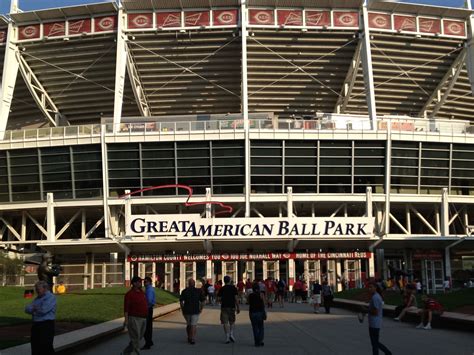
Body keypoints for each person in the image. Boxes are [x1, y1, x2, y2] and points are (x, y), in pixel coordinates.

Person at [25, 280, 57, 355]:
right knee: (35, 347)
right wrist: (34, 309)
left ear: (45, 288)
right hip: (36, 325)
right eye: (36, 289)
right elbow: (27, 309)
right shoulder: (37, 299)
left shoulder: (51, 297)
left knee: (46, 347)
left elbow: (43, 310)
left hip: (46, 325)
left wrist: (33, 309)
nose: (36, 291)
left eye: (38, 289)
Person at [123, 276, 148, 355]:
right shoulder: (129, 294)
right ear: (134, 283)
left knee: (138, 337)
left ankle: (126, 352)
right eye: (139, 282)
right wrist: (126, 320)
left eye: (141, 282)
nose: (140, 283)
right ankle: (136, 353)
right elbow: (126, 308)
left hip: (143, 318)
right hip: (134, 318)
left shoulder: (142, 292)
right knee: (135, 337)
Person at [367, 282, 392, 355]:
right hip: (374, 322)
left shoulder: (375, 297)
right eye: (369, 287)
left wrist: (366, 310)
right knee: (375, 342)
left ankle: (387, 352)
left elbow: (375, 312)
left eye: (371, 287)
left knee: (375, 342)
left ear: (375, 288)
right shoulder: (376, 296)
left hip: (374, 323)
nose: (369, 289)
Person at [179, 278, 206, 344]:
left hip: (186, 310)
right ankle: (193, 338)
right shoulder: (198, 291)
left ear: (188, 284)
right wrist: (201, 308)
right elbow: (203, 301)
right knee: (193, 324)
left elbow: (181, 301)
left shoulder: (184, 291)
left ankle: (189, 337)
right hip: (195, 310)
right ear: (194, 284)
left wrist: (182, 309)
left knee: (188, 324)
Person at [217, 275, 240, 344]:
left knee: (225, 322)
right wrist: (238, 307)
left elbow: (218, 299)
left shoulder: (222, 288)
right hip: (232, 306)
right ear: (229, 280)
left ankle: (227, 336)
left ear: (224, 281)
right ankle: (231, 334)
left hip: (224, 307)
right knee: (232, 321)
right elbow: (236, 298)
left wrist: (222, 299)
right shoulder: (233, 288)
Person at [248, 282, 266, 347]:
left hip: (253, 312)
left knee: (255, 328)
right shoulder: (261, 294)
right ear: (258, 288)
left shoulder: (250, 295)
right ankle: (260, 340)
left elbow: (249, 303)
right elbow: (264, 303)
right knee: (261, 327)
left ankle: (256, 342)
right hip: (260, 312)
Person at [142, 276, 155, 350]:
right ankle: (149, 341)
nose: (144, 283)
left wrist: (145, 305)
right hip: (149, 309)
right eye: (144, 282)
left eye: (146, 282)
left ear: (150, 282)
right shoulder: (148, 289)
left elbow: (149, 300)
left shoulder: (149, 290)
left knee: (146, 327)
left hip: (148, 309)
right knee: (148, 326)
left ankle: (148, 343)